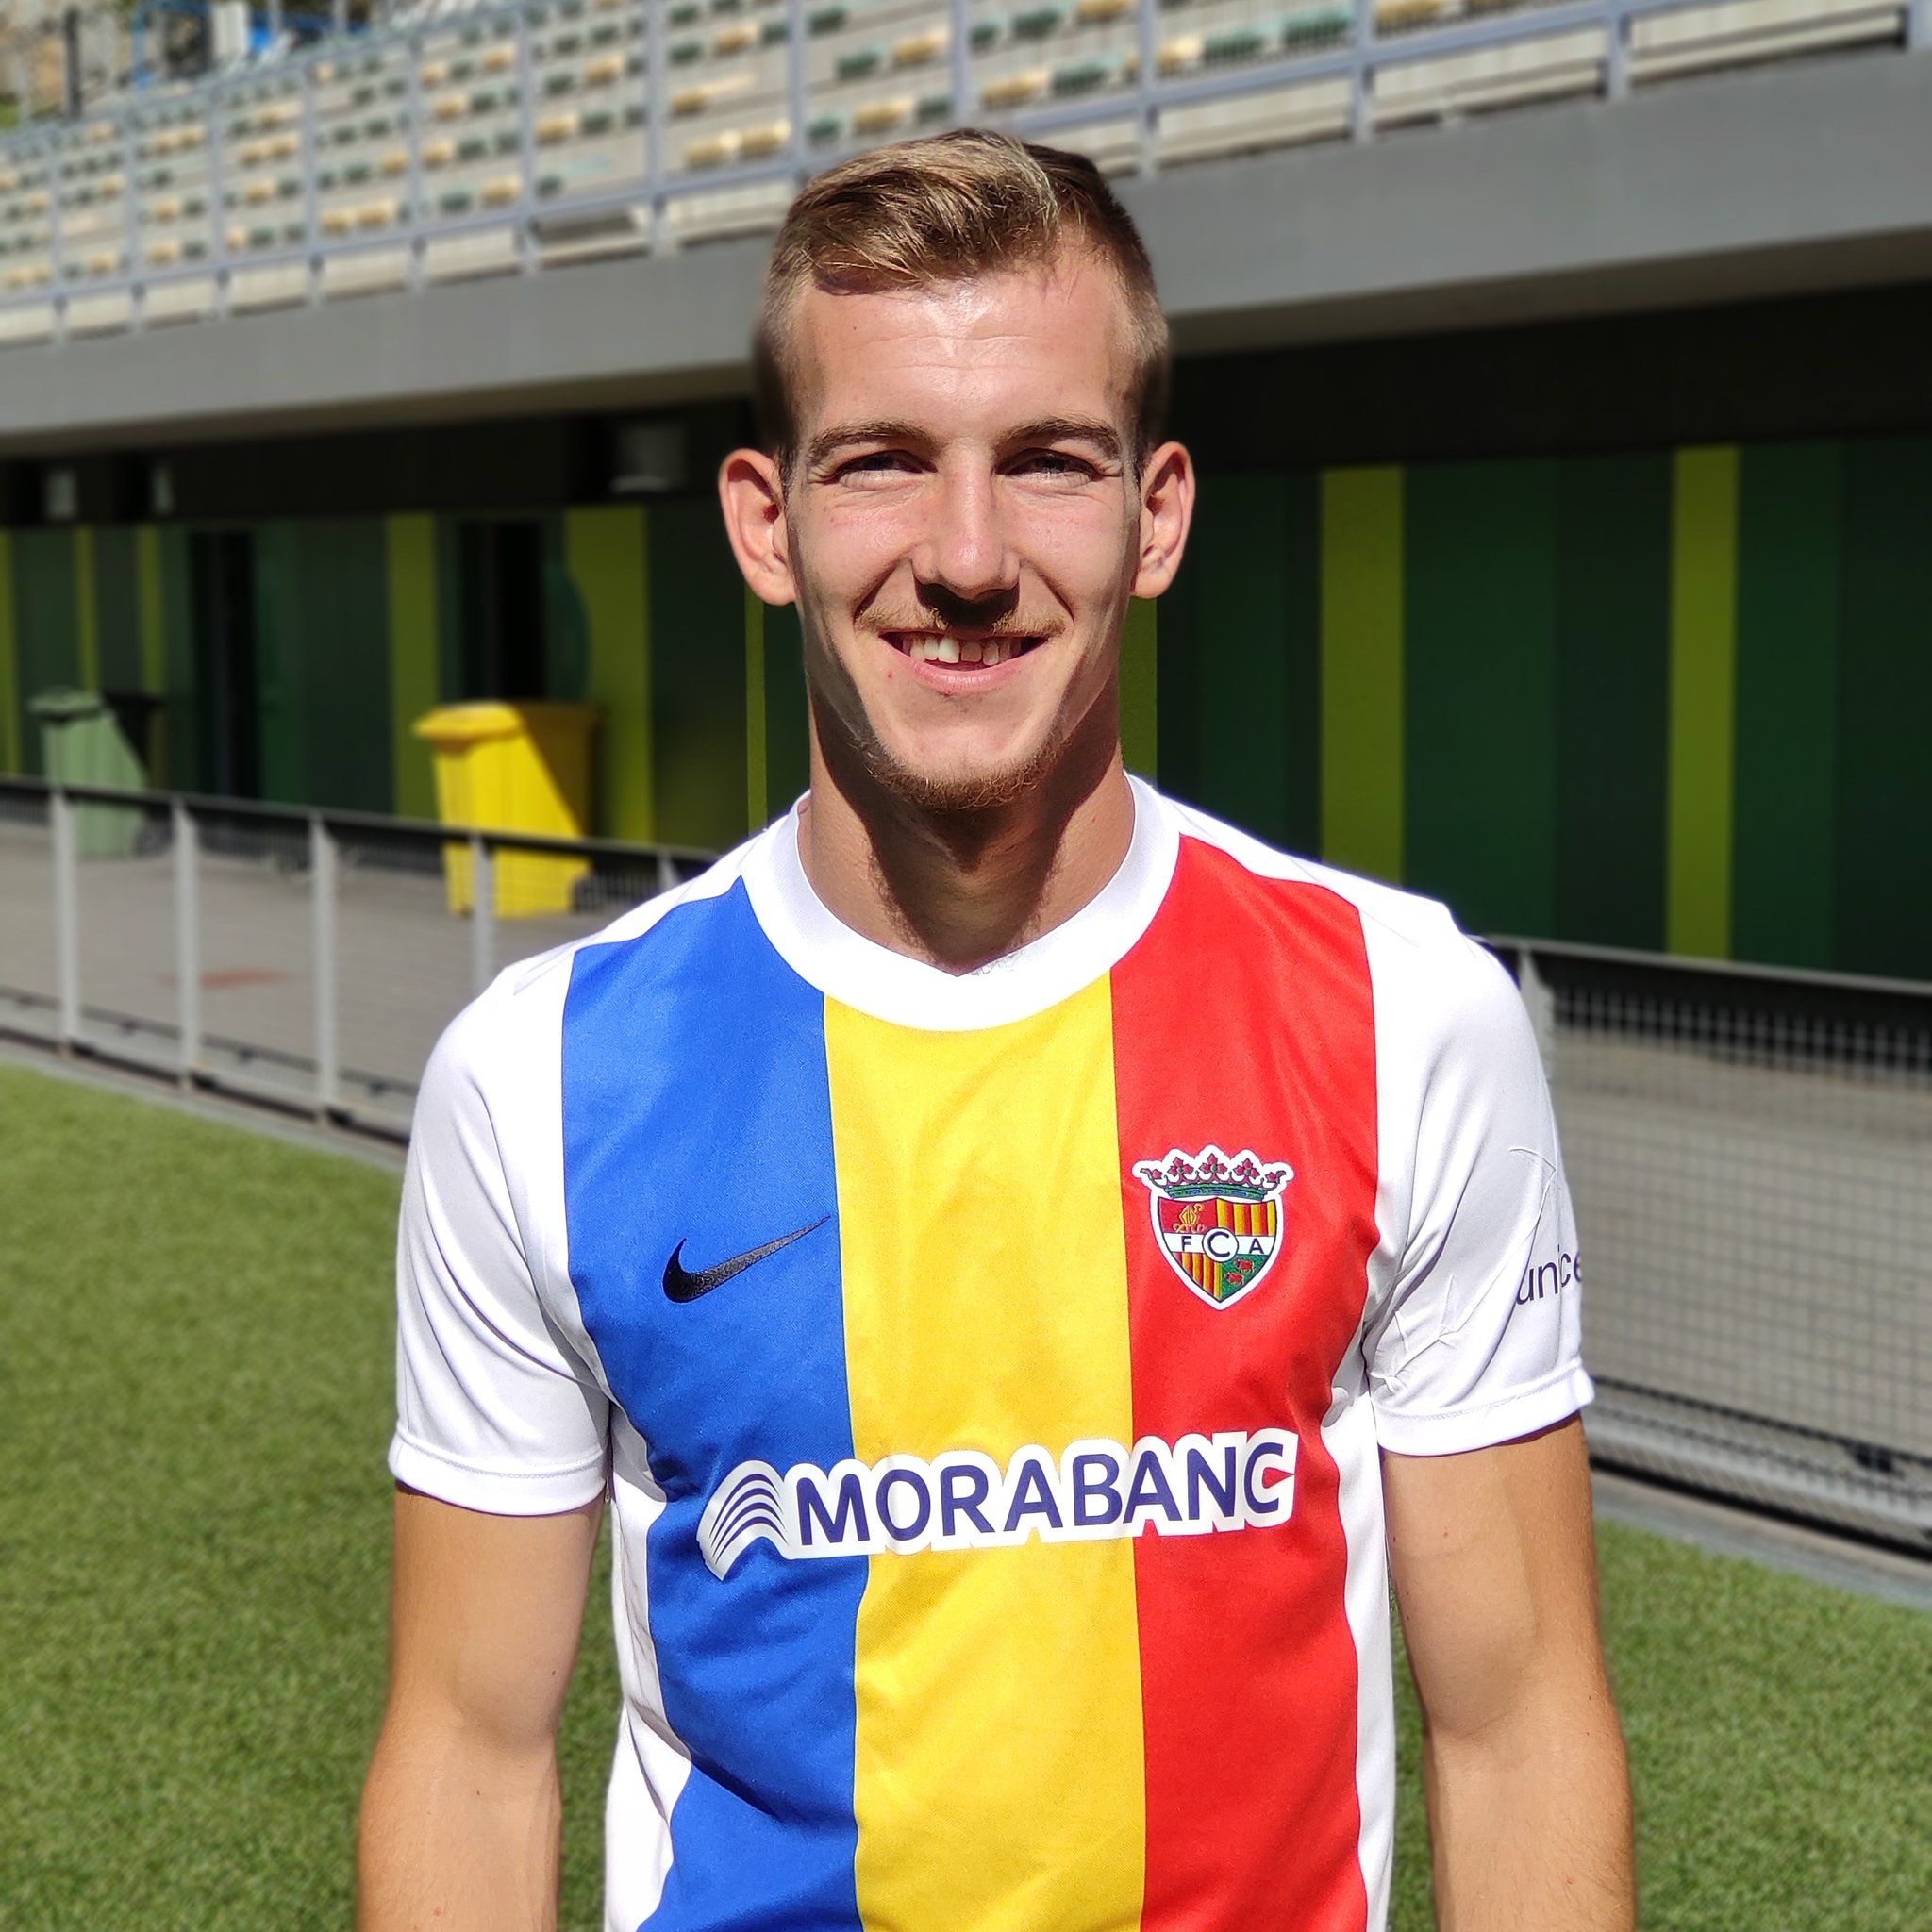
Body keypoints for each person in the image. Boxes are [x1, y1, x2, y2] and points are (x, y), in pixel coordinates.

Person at [358, 130, 1636, 1932]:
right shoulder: (540, 1075)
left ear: (1157, 516)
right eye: (883, 462)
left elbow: (1518, 1726)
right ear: (766, 522)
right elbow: (470, 1752)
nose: (966, 559)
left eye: (1047, 462)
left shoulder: (1408, 1017)